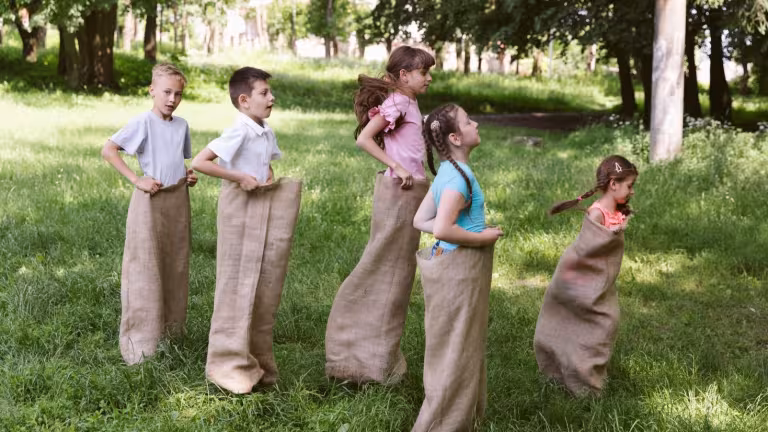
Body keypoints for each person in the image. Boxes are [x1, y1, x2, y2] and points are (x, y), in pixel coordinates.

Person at [325, 45, 435, 384]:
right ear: (404, 75)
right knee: (384, 269)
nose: (429, 78)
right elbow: (365, 140)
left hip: (410, 192)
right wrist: (396, 166)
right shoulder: (399, 102)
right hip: (399, 193)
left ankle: (376, 359)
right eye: (424, 73)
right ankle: (354, 353)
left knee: (398, 275)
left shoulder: (409, 102)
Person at [191, 67, 302, 394]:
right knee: (237, 279)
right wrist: (239, 177)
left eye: (269, 92)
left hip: (261, 203)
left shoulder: (264, 130)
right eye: (264, 93)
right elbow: (201, 161)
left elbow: (266, 163)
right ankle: (227, 363)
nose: (272, 98)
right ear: (244, 100)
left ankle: (256, 360)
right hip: (239, 207)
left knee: (263, 279)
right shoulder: (239, 130)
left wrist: (266, 174)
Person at [410, 103, 502, 432]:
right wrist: (484, 235)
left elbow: (420, 219)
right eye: (468, 121)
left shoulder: (449, 171)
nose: (475, 123)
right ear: (455, 137)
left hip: (447, 264)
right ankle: (441, 423)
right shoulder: (459, 179)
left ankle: (461, 416)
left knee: (456, 344)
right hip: (459, 271)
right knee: (457, 349)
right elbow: (442, 229)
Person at [101, 62, 197, 365]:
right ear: (152, 90)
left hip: (177, 200)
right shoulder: (142, 122)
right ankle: (141, 341)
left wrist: (187, 175)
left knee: (175, 264)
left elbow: (175, 160)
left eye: (178, 94)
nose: (172, 99)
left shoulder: (181, 126)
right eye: (166, 92)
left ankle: (170, 332)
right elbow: (108, 150)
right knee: (145, 266)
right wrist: (136, 179)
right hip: (150, 201)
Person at [533, 155, 638, 396]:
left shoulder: (615, 211)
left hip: (602, 284)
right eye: (629, 186)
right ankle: (581, 383)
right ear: (614, 184)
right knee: (597, 323)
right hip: (580, 280)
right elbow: (587, 248)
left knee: (604, 324)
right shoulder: (596, 213)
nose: (632, 192)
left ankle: (587, 376)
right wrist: (612, 233)